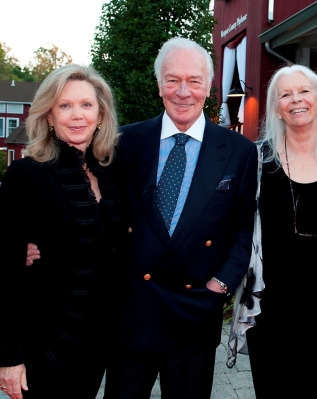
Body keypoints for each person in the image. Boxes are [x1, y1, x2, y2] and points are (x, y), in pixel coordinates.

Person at [110, 37, 257, 399]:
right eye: (172, 80)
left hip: (194, 311)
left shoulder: (238, 150)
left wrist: (220, 286)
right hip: (134, 311)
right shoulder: (125, 142)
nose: (183, 91)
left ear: (208, 87)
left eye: (193, 80)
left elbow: (242, 229)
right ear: (159, 84)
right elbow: (102, 214)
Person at [0, 64, 126, 399]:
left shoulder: (110, 173)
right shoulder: (26, 176)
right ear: (48, 116)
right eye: (64, 106)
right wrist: (8, 359)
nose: (76, 115)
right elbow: (2, 272)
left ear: (100, 113)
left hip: (98, 345)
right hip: (47, 346)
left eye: (85, 105)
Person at [226, 64, 317, 398]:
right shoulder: (257, 159)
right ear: (276, 107)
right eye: (285, 94)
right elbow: (235, 225)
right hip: (270, 313)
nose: (295, 99)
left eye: (303, 92)